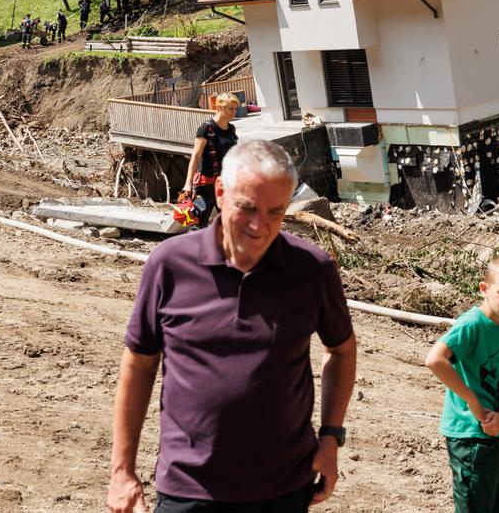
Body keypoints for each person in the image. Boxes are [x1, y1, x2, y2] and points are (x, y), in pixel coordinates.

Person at [108, 140, 357, 513]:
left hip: (283, 490)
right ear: (221, 193)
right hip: (189, 488)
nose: (260, 226)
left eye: (275, 211)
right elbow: (139, 363)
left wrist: (331, 436)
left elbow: (341, 349)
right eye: (247, 208)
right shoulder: (169, 264)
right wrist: (121, 472)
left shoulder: (311, 270)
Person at [426, 254, 499, 513]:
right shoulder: (471, 324)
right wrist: (472, 400)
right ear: (484, 289)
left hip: (491, 431)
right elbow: (435, 359)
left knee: (494, 505)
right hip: (467, 432)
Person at [182, 92, 240, 227]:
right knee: (198, 223)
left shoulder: (231, 129)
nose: (234, 112)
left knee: (231, 222)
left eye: (235, 108)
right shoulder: (206, 128)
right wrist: (188, 184)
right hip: (205, 184)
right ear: (220, 107)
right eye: (230, 108)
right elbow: (195, 156)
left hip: (225, 183)